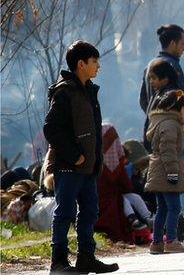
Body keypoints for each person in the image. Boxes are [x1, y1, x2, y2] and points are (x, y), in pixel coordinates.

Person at [43, 41, 119, 274]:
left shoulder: (89, 91)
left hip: (88, 167)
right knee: (64, 212)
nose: (98, 66)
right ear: (81, 64)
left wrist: (95, 160)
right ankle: (58, 262)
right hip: (69, 166)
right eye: (94, 62)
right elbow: (51, 128)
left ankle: (86, 258)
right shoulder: (65, 92)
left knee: (89, 211)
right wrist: (74, 155)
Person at [145, 90, 184, 254]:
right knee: (174, 207)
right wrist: (172, 173)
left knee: (162, 209)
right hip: (166, 172)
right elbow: (168, 150)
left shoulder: (163, 122)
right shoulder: (170, 124)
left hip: (159, 170)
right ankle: (172, 240)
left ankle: (157, 242)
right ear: (175, 108)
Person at [139, 24, 184, 143]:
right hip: (171, 131)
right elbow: (180, 95)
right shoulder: (172, 66)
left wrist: (155, 116)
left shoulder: (151, 65)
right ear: (172, 44)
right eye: (182, 43)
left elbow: (143, 100)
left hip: (151, 128)